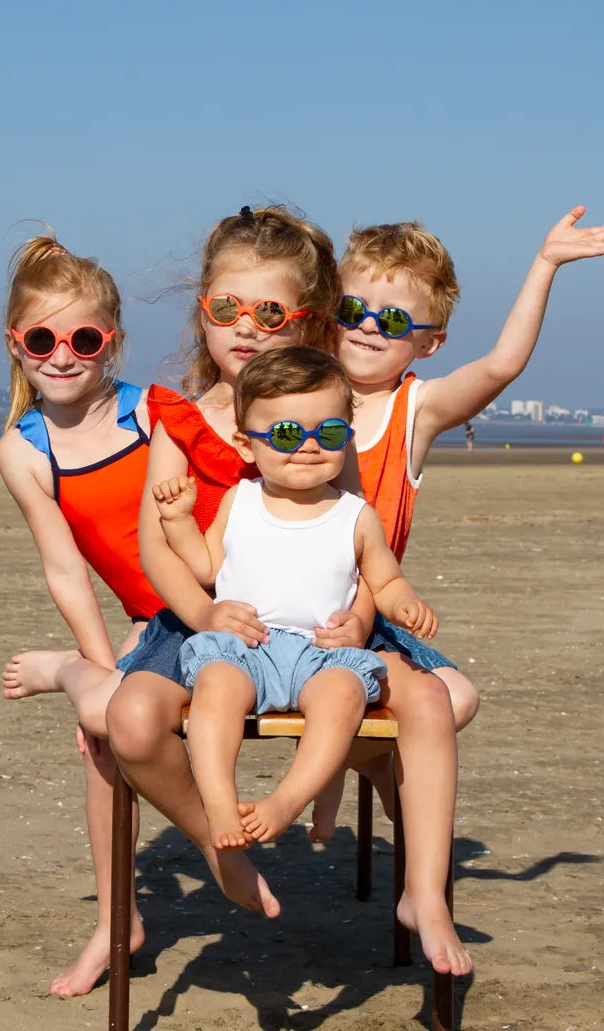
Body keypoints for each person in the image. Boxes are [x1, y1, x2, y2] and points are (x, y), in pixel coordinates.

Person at [105, 205, 473, 975]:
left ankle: (427, 892)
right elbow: (160, 550)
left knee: (433, 698)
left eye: (269, 313)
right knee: (132, 720)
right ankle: (220, 841)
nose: (246, 328)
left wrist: (365, 613)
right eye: (226, 309)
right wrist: (205, 612)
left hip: (324, 625)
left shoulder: (320, 415)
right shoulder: (183, 417)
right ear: (202, 309)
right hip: (210, 616)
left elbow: (356, 535)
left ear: (304, 320)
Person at [314, 204, 604, 832]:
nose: (368, 328)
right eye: (352, 311)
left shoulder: (417, 410)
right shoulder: (294, 391)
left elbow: (500, 366)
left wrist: (545, 264)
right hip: (285, 612)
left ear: (428, 342)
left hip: (368, 616)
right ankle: (359, 763)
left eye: (394, 319)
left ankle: (365, 760)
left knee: (457, 698)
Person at [153, 347, 437, 850]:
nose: (308, 446)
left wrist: (404, 604)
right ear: (246, 444)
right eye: (286, 433)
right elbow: (207, 568)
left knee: (343, 698)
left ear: (346, 438)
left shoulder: (354, 514)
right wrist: (178, 523)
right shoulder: (239, 502)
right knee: (216, 689)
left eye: (327, 433)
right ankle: (219, 803)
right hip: (245, 647)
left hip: (321, 652)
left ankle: (287, 801)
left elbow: (384, 580)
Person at [0, 230, 159, 996]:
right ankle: (114, 923)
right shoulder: (24, 451)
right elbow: (65, 572)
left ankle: (64, 674)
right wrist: (101, 663)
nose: (63, 355)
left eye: (83, 339)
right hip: (144, 622)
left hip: (213, 605)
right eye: (43, 338)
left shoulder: (151, 415)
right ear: (16, 343)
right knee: (102, 730)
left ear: (111, 344)